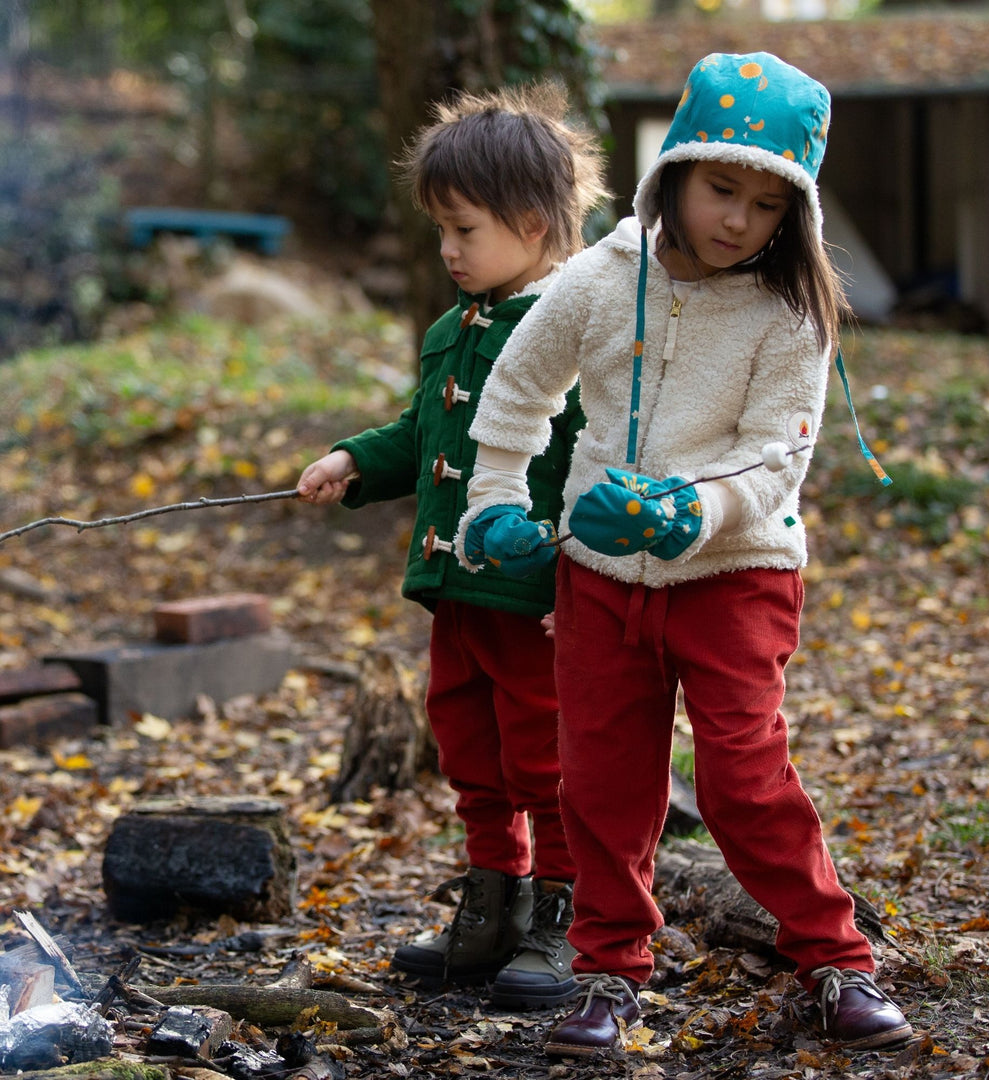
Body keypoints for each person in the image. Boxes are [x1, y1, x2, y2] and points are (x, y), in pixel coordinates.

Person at [455, 52, 913, 1054]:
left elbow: (775, 461)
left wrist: (688, 515)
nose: (739, 220)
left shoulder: (792, 312)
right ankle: (608, 975)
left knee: (746, 780)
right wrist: (495, 502)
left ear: (795, 213)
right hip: (599, 580)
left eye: (766, 203)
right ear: (674, 171)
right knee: (603, 785)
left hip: (735, 576)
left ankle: (835, 962)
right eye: (721, 188)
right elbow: (518, 390)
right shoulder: (600, 278)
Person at [296, 83, 608, 1010]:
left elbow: (603, 460)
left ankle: (566, 909)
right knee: (470, 753)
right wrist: (355, 458)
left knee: (545, 759)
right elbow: (425, 432)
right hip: (456, 600)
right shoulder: (448, 332)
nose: (447, 250)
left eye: (464, 230)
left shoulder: (579, 331)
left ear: (532, 221)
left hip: (536, 600)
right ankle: (491, 900)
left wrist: (579, 573)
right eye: (440, 229)